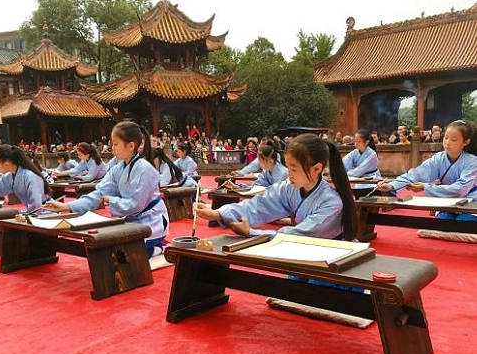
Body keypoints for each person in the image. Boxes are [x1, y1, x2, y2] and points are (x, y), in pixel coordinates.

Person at [45, 121, 169, 257]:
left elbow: (136, 205)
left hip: (152, 220)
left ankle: (159, 248)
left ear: (131, 146)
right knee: (107, 247)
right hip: (131, 219)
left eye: (116, 144)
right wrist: (66, 206)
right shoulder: (117, 169)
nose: (112, 148)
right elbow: (99, 193)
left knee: (128, 253)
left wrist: (112, 200)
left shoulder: (145, 169)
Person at [197, 133, 357, 238]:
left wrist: (251, 232)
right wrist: (219, 213)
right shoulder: (289, 187)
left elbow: (298, 235)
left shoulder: (332, 203)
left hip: (329, 260)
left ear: (316, 169)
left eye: (294, 169)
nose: (289, 174)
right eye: (288, 167)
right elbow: (260, 204)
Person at [375, 120, 477, 215]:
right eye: (446, 138)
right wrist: (391, 185)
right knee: (444, 220)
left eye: (453, 140)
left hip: (471, 200)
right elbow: (416, 174)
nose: (447, 142)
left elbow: (461, 189)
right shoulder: (439, 158)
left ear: (466, 142)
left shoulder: (472, 161)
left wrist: (426, 187)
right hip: (447, 200)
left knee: (464, 220)